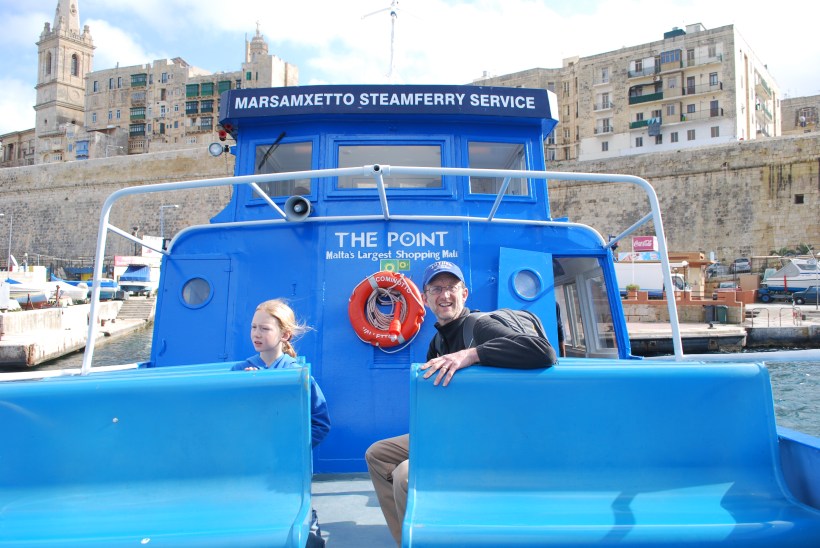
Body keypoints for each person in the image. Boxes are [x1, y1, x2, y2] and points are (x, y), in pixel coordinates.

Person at [365, 261, 556, 545]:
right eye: (437, 289)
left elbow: (543, 352)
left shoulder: (480, 326)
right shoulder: (438, 343)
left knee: (405, 474)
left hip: (493, 439)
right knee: (378, 454)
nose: (445, 296)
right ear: (425, 297)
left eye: (452, 288)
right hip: (459, 432)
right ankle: (406, 538)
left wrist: (471, 355)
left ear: (464, 294)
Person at [233, 299, 330, 546]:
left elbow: (320, 422)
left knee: (293, 524)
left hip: (287, 469)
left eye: (264, 329)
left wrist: (292, 449)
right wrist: (245, 391)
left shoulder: (298, 375)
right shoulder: (239, 371)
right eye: (254, 327)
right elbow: (232, 418)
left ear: (284, 334)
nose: (256, 333)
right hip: (249, 465)